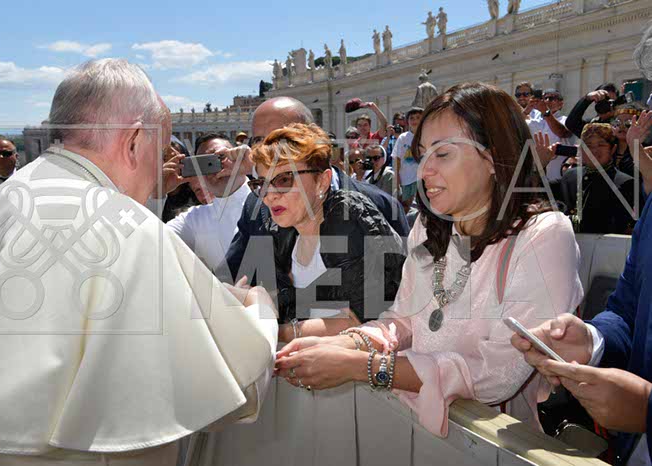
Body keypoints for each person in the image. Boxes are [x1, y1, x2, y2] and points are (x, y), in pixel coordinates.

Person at [0, 58, 278, 465]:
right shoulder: (133, 235)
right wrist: (259, 310)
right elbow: (237, 383)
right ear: (134, 141)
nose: (161, 170)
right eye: (161, 151)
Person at [275, 82, 584, 438]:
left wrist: (363, 365)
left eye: (443, 154)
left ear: (495, 156)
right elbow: (402, 321)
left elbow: (496, 374)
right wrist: (345, 344)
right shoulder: (428, 225)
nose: (423, 172)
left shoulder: (544, 234)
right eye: (422, 155)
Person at [510, 112, 652, 466]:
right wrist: (592, 340)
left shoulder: (625, 183)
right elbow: (628, 311)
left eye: (598, 145)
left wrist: (646, 410)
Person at [220, 97, 409, 288]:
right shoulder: (255, 204)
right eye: (258, 141)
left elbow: (405, 291)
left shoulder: (381, 206)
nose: (268, 149)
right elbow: (228, 278)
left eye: (282, 139)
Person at [249, 123, 404, 341]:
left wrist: (274, 332)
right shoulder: (279, 231)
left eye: (284, 180)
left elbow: (361, 318)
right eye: (262, 184)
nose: (270, 195)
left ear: (322, 182)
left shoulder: (348, 216)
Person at [152, 133, 250, 270]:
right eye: (204, 164)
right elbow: (149, 242)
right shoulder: (193, 220)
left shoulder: (270, 197)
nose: (215, 167)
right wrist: (156, 194)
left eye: (221, 157)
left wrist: (255, 166)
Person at [551, 123, 644, 234]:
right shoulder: (569, 176)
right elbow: (541, 200)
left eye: (601, 145)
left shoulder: (626, 183)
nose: (594, 151)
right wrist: (541, 164)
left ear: (613, 149)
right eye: (588, 145)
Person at [527, 89, 574, 181]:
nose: (547, 101)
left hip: (557, 177)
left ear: (561, 104)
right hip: (537, 177)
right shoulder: (535, 121)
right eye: (545, 98)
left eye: (552, 98)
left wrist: (546, 111)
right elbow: (516, 126)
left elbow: (562, 132)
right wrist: (528, 109)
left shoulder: (566, 120)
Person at [392, 107, 423, 211]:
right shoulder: (403, 138)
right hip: (406, 180)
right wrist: (397, 180)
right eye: (412, 118)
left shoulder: (426, 135)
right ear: (407, 121)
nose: (414, 121)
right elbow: (396, 159)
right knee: (408, 209)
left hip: (421, 180)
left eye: (418, 118)